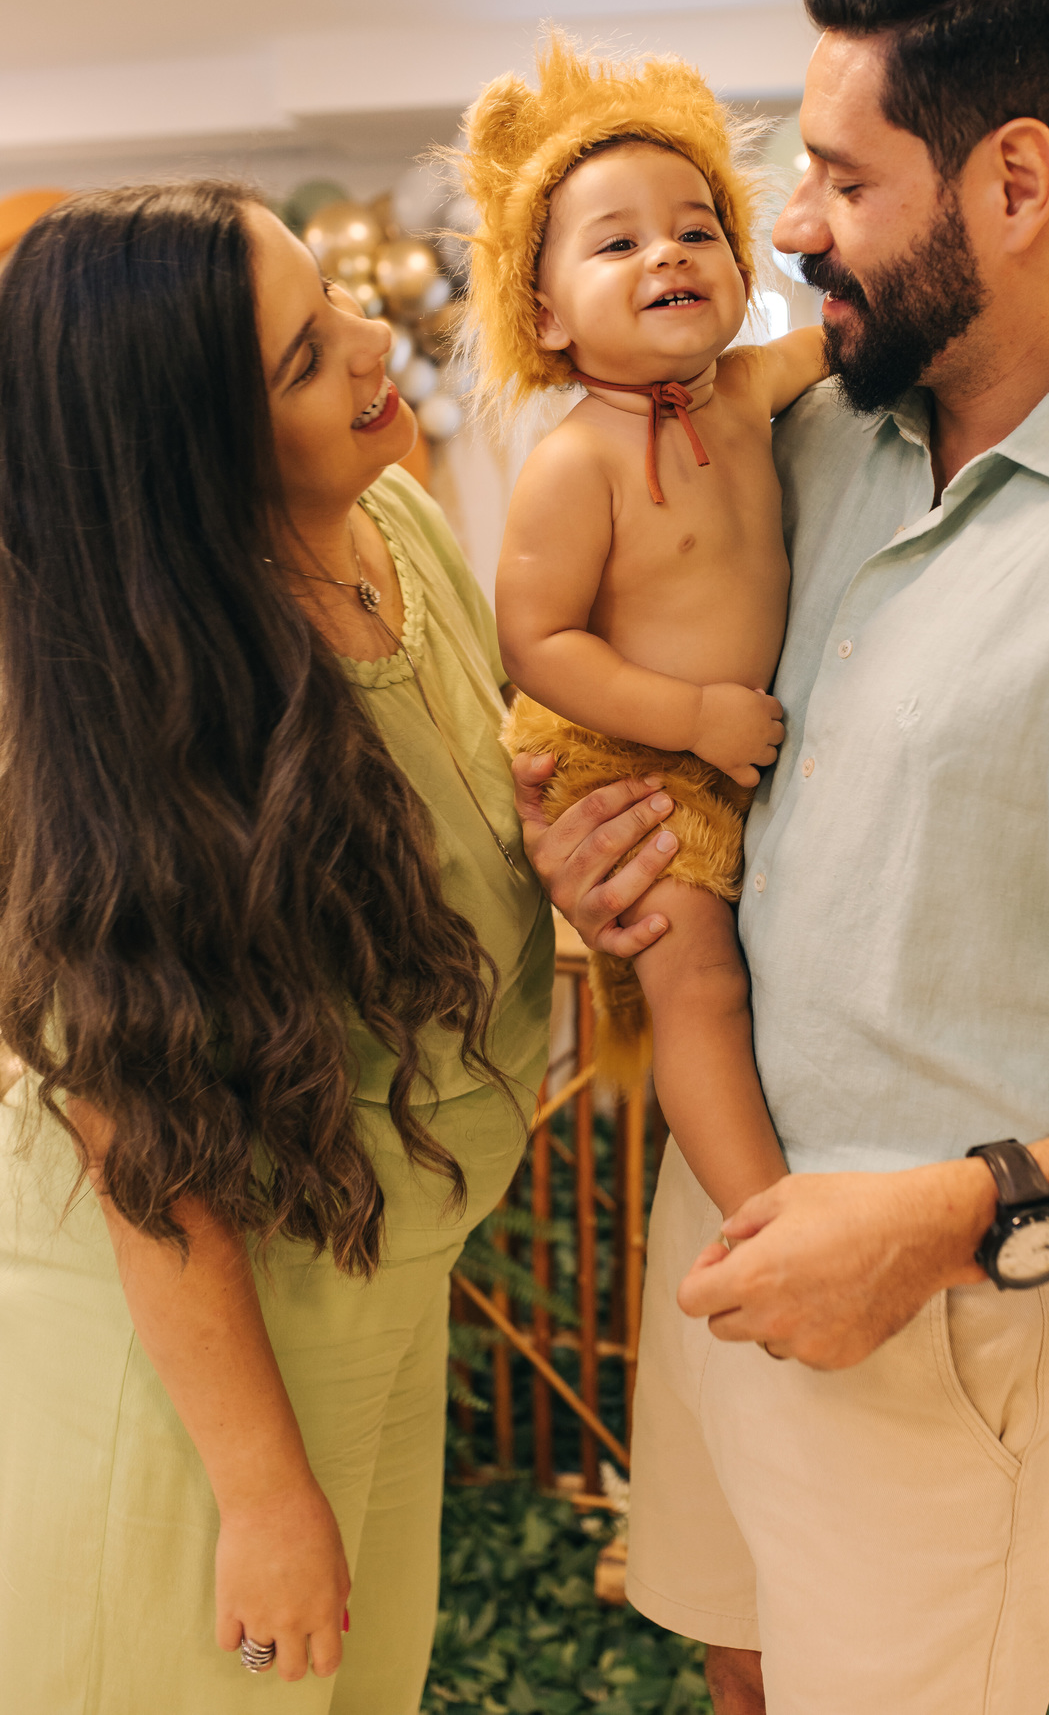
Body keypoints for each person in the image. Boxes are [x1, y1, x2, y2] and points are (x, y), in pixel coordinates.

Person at [512, 0, 1049, 1710]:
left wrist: (950, 1221)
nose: (790, 225)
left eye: (840, 175)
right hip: (720, 1205)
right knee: (741, 1671)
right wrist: (602, 859)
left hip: (943, 1299)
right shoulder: (810, 433)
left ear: (1016, 184)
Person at [0, 181, 552, 1715]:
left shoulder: (395, 524)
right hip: (199, 1353)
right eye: (308, 357)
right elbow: (141, 1134)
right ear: (192, 462)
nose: (376, 342)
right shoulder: (133, 706)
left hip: (387, 1277)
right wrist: (259, 1488)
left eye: (336, 301)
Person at [458, 38, 825, 1219]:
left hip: (718, 746)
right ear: (546, 316)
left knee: (742, 971)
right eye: (617, 244)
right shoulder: (578, 461)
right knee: (700, 985)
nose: (667, 252)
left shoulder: (750, 390)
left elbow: (854, 337)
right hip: (622, 754)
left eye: (697, 230)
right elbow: (538, 645)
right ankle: (764, 1220)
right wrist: (694, 715)